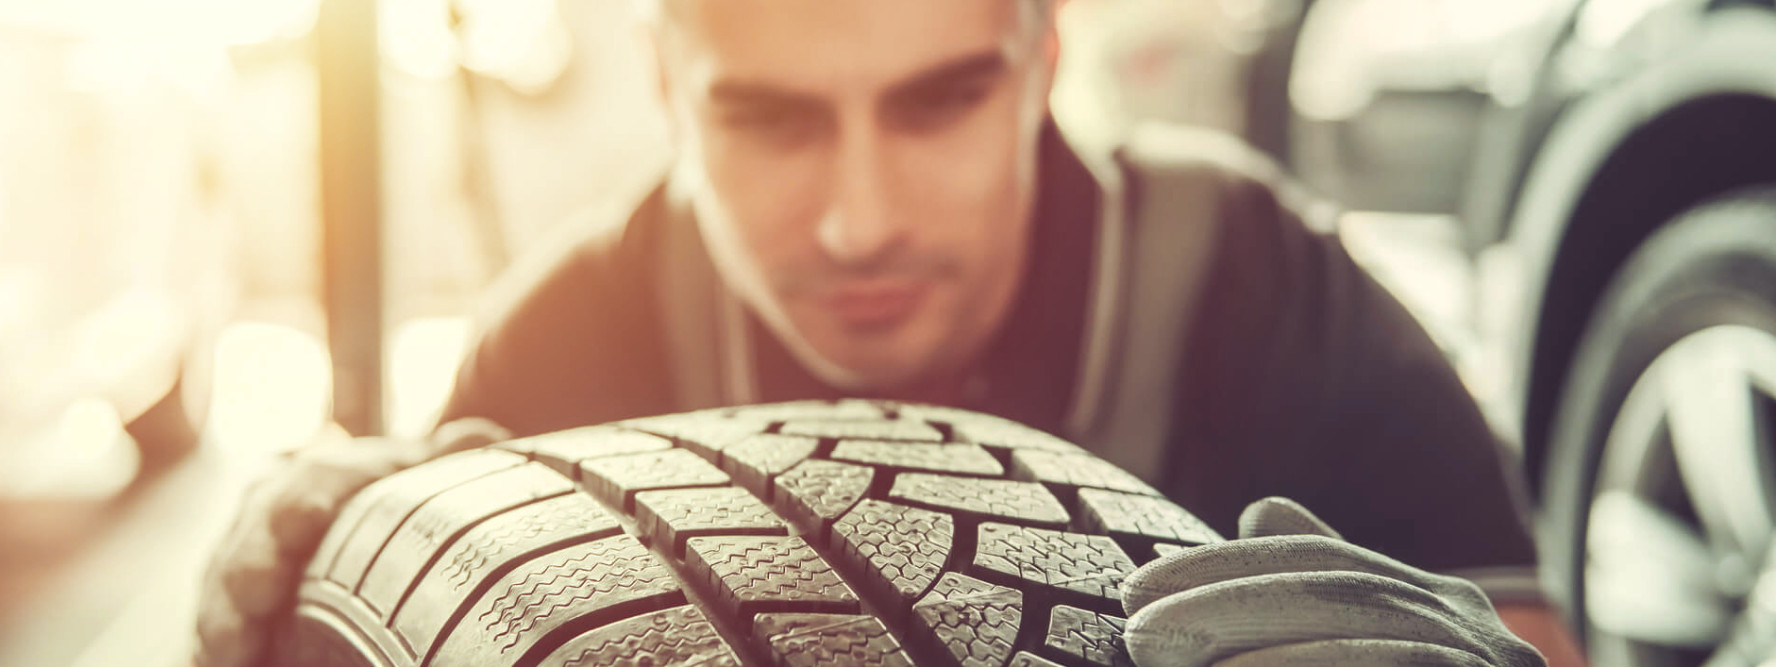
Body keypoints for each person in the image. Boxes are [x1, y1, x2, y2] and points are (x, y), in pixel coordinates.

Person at [196, 0, 1586, 664]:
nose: (857, 220)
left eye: (933, 105)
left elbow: (1535, 628)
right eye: (770, 118)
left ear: (1038, 69)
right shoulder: (573, 346)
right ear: (670, 90)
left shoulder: (1241, 274)